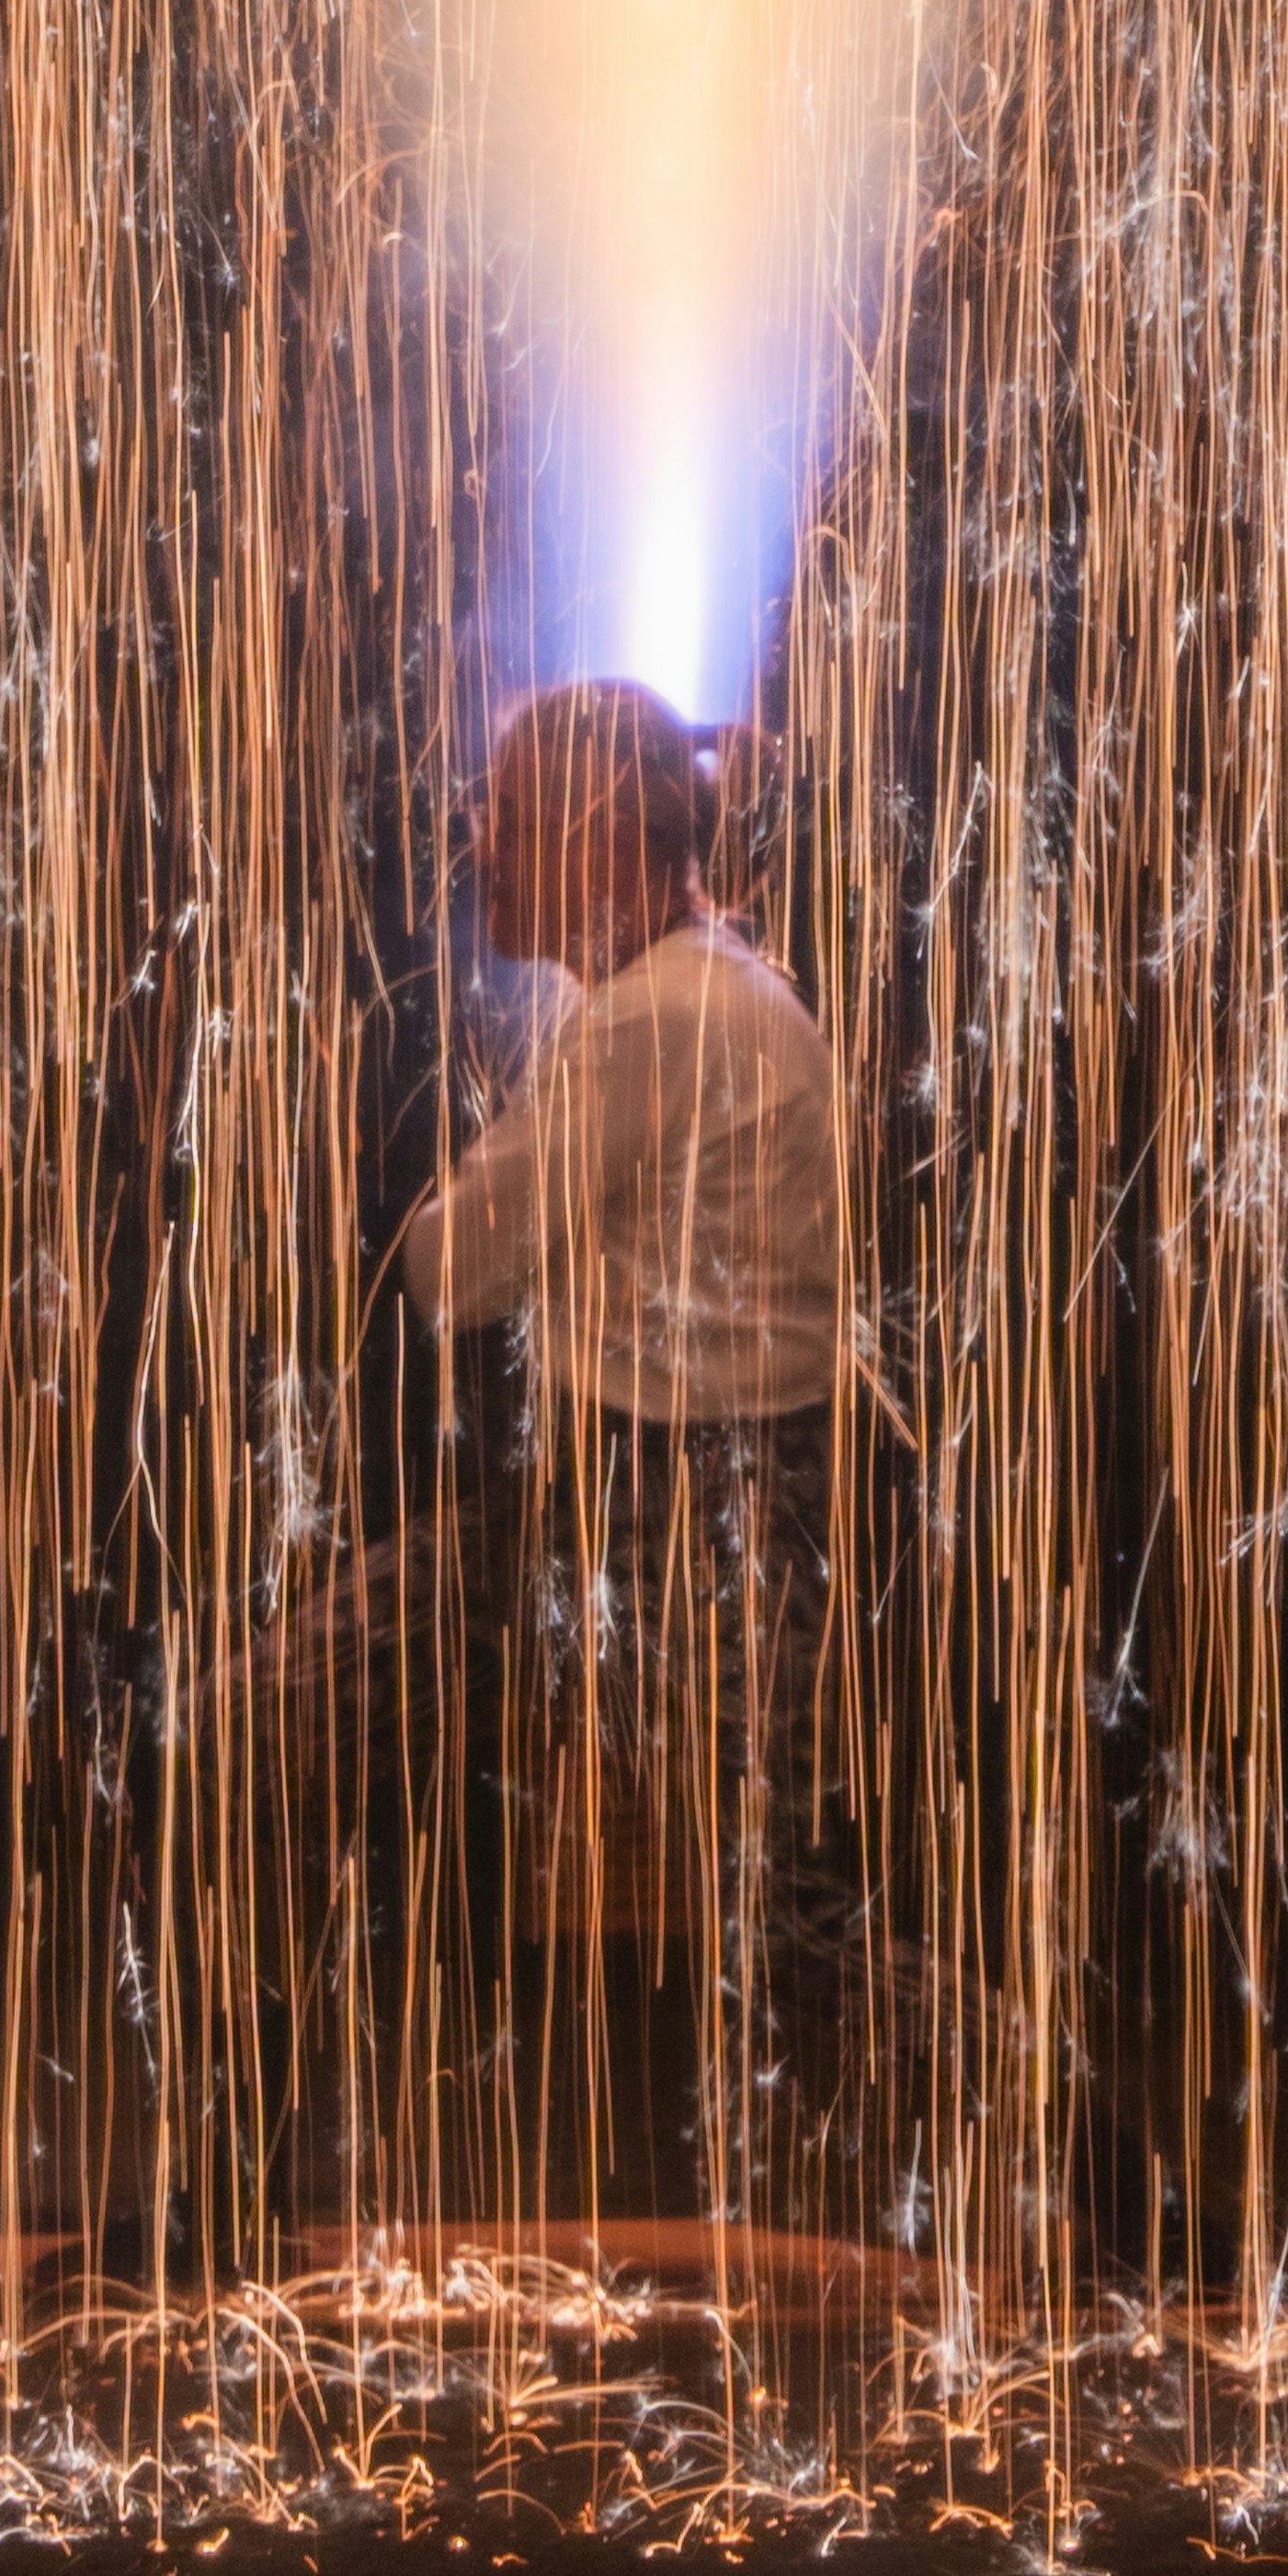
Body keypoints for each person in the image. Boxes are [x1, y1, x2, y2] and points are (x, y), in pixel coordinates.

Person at [395, 678, 849, 1969]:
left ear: (601, 836)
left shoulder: (654, 1019)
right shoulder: (703, 986)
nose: (485, 844)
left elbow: (451, 1272)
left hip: (685, 1514)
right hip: (665, 1494)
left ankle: (1057, 2138)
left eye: (514, 816)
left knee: (781, 1940)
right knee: (774, 1928)